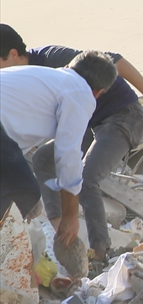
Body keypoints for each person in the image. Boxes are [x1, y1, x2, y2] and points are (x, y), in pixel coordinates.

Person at [0, 24, 143, 263]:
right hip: (87, 121)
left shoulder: (57, 64)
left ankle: (99, 251)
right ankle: (60, 234)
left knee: (87, 176)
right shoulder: (62, 82)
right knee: (42, 160)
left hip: (123, 117)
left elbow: (113, 60)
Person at [0, 52, 118, 250]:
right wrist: (70, 217)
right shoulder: (80, 91)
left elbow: (12, 150)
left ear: (69, 66)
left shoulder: (46, 79)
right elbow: (68, 155)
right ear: (98, 92)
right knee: (24, 191)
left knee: (18, 190)